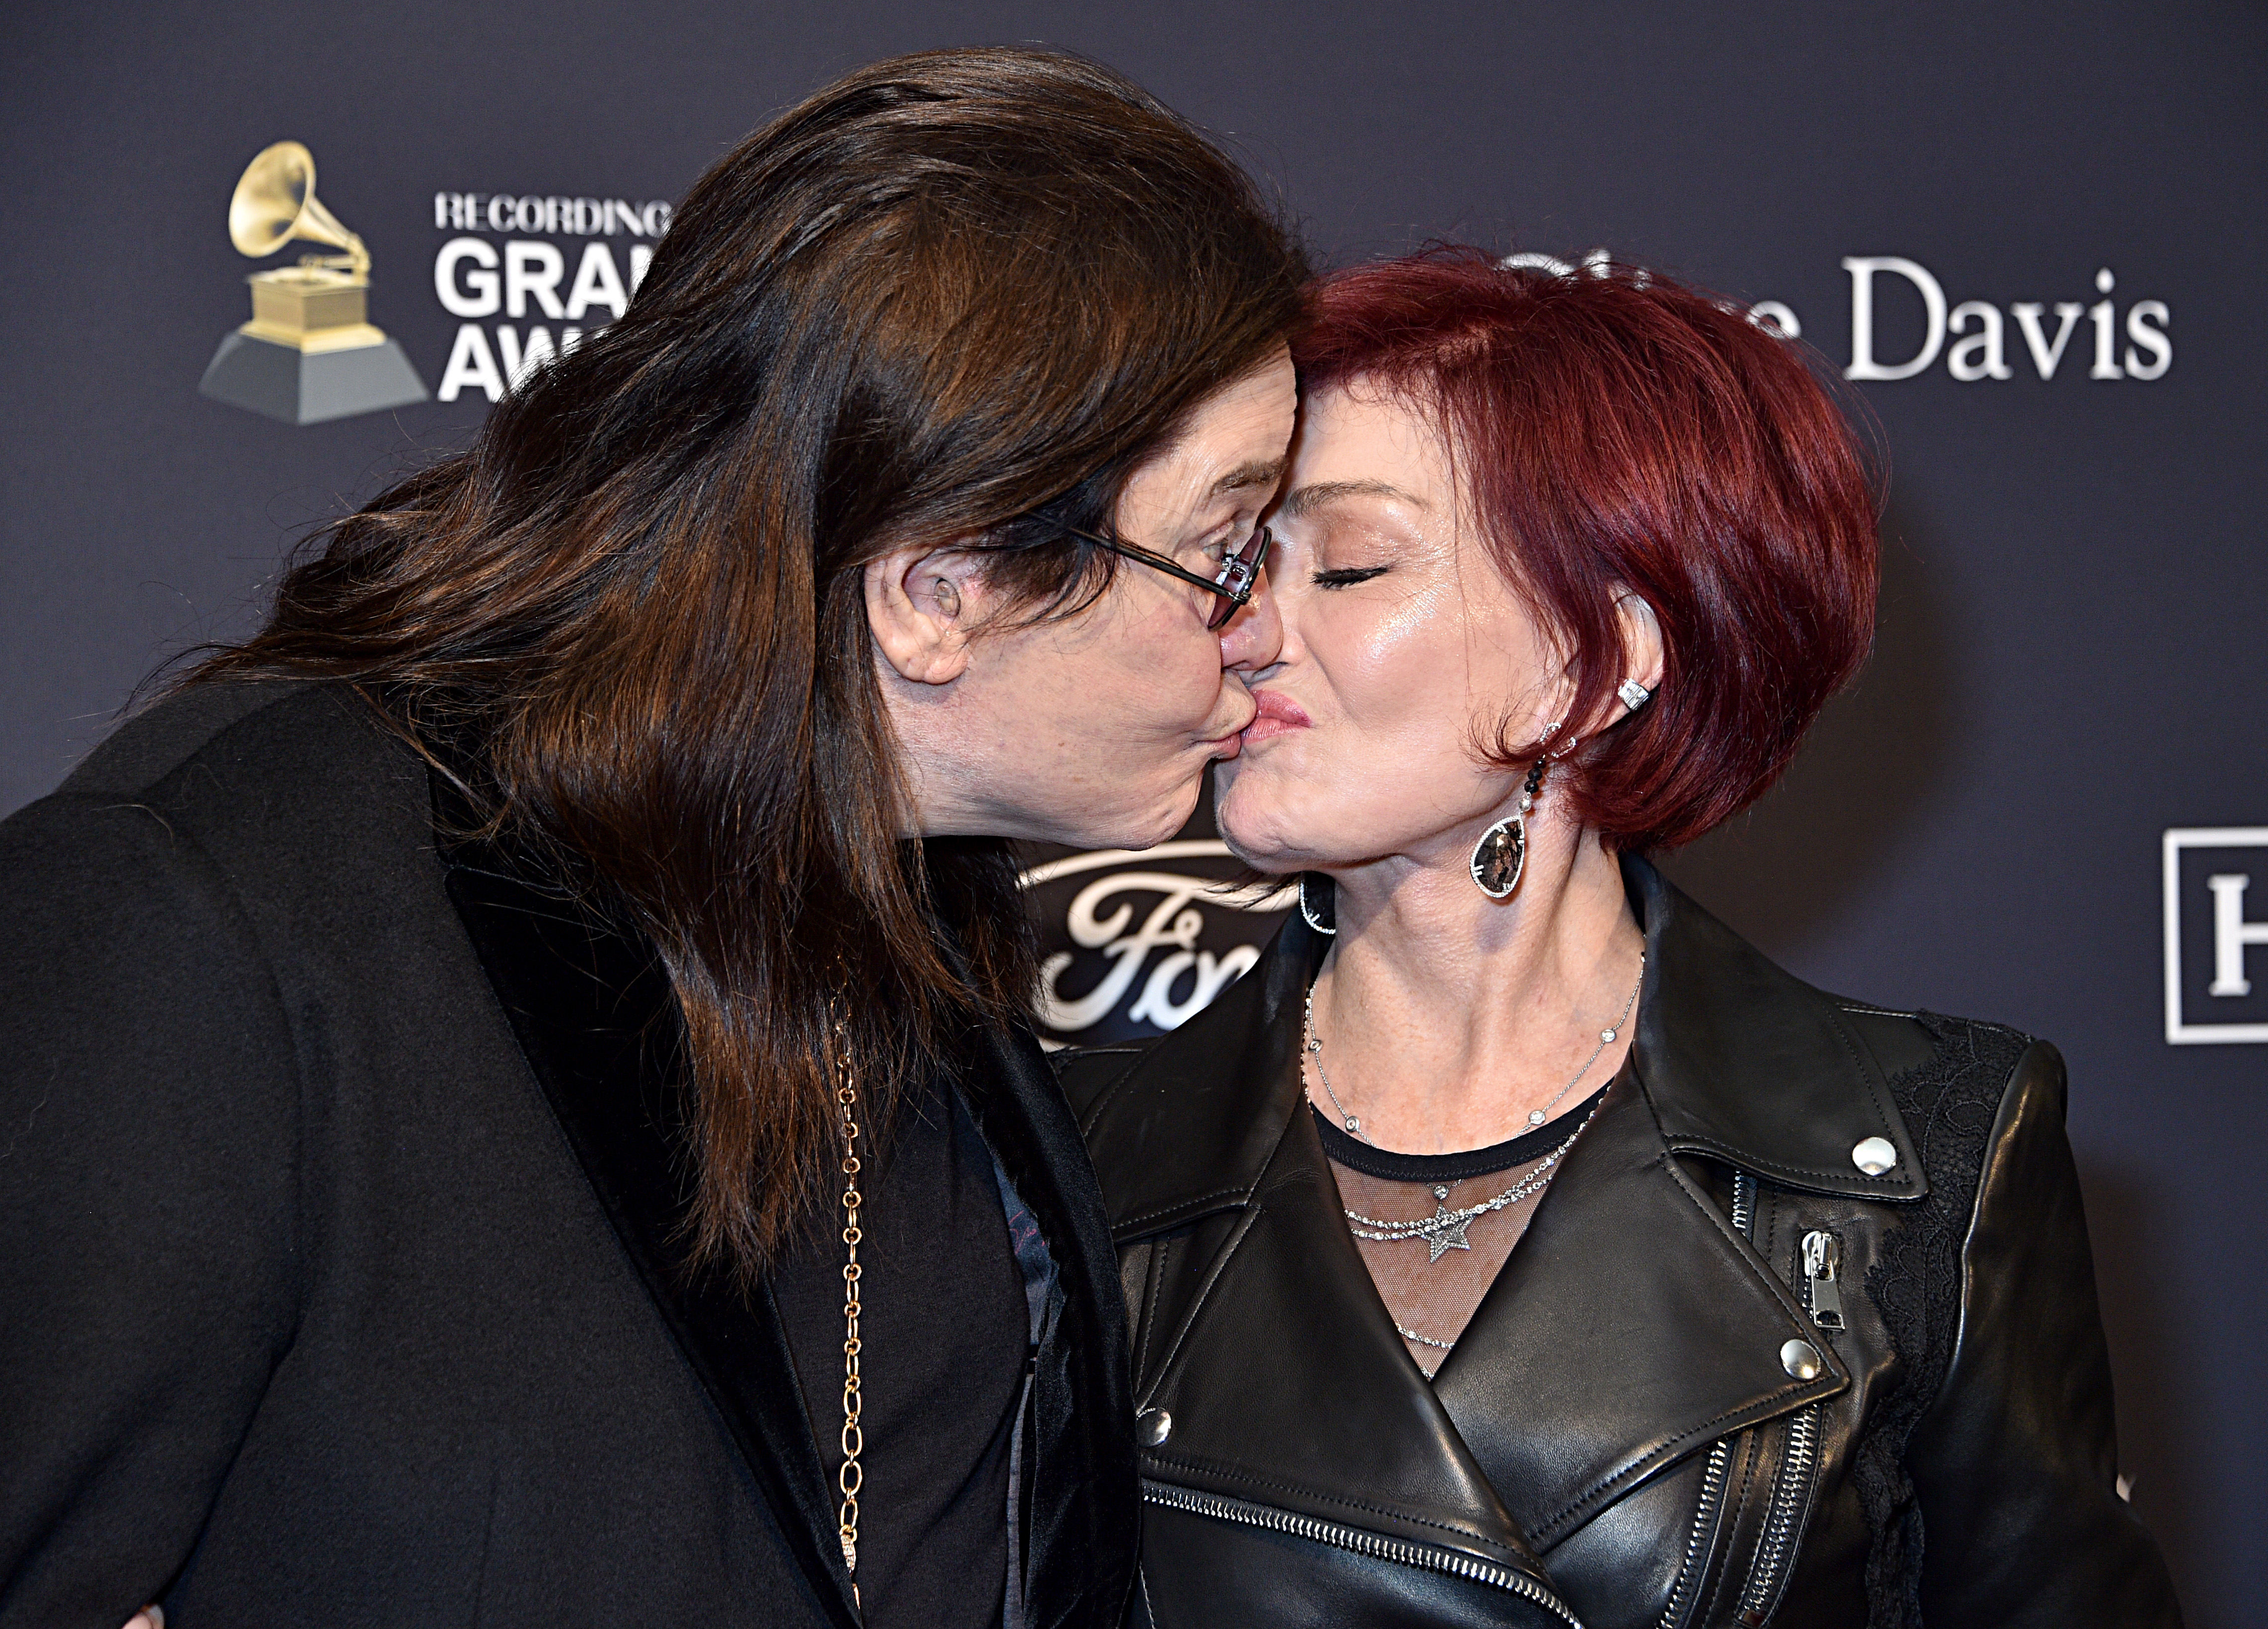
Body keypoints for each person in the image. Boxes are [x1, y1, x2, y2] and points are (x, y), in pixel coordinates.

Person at [0, 49, 1304, 1629]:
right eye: (1227, 552)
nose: (1263, 630)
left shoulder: (918, 893)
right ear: (940, 590)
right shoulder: (219, 910)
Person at [1060, 249, 2183, 1628]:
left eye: (1348, 564)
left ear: (1598, 658)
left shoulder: (1926, 1156)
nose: (1244, 635)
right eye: (1241, 566)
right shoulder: (1076, 1160)